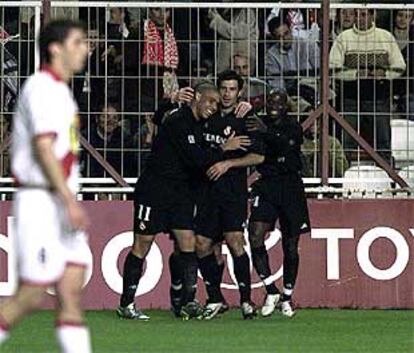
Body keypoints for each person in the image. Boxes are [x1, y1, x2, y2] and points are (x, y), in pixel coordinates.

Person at [117, 82, 250, 321]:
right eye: (209, 101)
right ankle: (126, 303)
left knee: (187, 241)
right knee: (143, 243)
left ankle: (187, 301)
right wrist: (223, 148)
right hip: (154, 190)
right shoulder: (179, 120)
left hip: (180, 193)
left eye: (216, 104)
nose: (213, 107)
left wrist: (245, 109)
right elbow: (196, 159)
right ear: (196, 97)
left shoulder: (200, 124)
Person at [0, 20, 92, 353]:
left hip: (58, 199)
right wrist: (68, 199)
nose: (86, 48)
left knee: (71, 289)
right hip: (41, 201)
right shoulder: (41, 88)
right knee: (31, 294)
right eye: (79, 42)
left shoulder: (62, 92)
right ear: (56, 48)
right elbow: (43, 148)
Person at [193, 70, 265, 320]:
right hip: (206, 190)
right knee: (203, 244)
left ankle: (246, 301)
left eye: (232, 89)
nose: (226, 94)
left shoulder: (245, 117)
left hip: (233, 192)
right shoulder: (206, 116)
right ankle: (215, 298)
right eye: (223, 88)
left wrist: (228, 164)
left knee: (235, 240)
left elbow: (258, 156)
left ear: (240, 92)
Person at [246, 89, 310, 318]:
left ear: (286, 106)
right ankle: (270, 289)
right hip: (267, 184)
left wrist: (267, 133)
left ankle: (287, 296)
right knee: (254, 234)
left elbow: (287, 145)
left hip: (291, 186)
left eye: (279, 102)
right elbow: (257, 149)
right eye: (270, 101)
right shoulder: (258, 124)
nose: (274, 105)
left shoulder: (293, 127)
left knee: (291, 244)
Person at [329, 8, 406, 162]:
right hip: (350, 98)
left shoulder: (385, 37)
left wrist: (384, 74)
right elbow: (332, 67)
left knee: (383, 141)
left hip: (379, 98)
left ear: (372, 15)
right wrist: (356, 74)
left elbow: (400, 66)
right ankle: (345, 174)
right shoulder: (344, 38)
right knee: (347, 142)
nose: (359, 19)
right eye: (356, 15)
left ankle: (387, 173)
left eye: (364, 15)